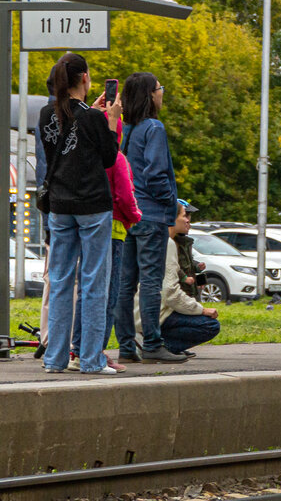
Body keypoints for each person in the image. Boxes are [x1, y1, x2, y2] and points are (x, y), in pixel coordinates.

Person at [38, 53, 122, 375]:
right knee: (93, 282)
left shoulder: (46, 114)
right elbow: (109, 158)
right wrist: (110, 122)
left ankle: (55, 360)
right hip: (93, 207)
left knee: (59, 281)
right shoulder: (92, 118)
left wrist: (97, 115)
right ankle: (90, 360)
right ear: (85, 78)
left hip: (59, 206)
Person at [114, 72, 186, 364]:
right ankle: (153, 344)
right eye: (159, 89)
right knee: (151, 282)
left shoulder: (125, 129)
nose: (162, 93)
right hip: (152, 214)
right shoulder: (154, 128)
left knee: (125, 283)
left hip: (128, 214)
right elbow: (156, 173)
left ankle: (126, 346)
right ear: (150, 95)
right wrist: (169, 201)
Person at [67, 116, 142, 371]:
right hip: (115, 231)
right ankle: (97, 351)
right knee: (107, 295)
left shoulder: (88, 158)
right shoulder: (117, 158)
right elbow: (124, 194)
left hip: (88, 230)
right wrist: (135, 217)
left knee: (86, 293)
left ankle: (78, 350)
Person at [140, 199, 219, 357]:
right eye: (185, 215)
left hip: (150, 308)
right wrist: (201, 309)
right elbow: (172, 287)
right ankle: (158, 346)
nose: (189, 220)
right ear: (170, 217)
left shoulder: (175, 242)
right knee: (210, 325)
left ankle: (156, 344)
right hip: (164, 305)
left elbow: (190, 265)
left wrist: (199, 275)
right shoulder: (168, 243)